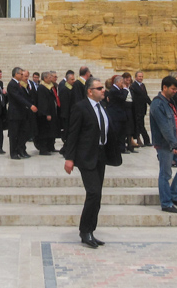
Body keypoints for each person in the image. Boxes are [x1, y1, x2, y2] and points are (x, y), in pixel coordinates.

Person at [64, 77, 120, 248]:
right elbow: (73, 133)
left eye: (103, 88)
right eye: (99, 88)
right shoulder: (80, 107)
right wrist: (69, 158)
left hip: (100, 155)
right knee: (94, 192)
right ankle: (84, 230)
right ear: (90, 91)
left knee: (97, 195)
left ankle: (90, 230)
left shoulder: (103, 107)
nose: (103, 90)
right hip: (86, 156)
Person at [151, 76, 177, 213]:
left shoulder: (171, 102)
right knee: (165, 174)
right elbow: (165, 128)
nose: (175, 91)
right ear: (164, 87)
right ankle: (166, 203)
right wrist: (174, 145)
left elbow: (176, 121)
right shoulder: (157, 104)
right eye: (173, 89)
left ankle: (174, 196)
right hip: (165, 145)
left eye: (176, 89)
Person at [7, 67, 37, 160]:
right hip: (15, 113)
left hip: (21, 113)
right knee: (14, 134)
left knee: (21, 134)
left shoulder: (19, 84)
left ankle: (21, 150)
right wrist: (30, 105)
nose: (22, 75)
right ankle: (13, 153)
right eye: (20, 74)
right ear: (16, 74)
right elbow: (18, 97)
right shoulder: (12, 84)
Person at [35, 71, 60, 155]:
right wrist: (46, 113)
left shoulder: (50, 87)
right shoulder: (42, 87)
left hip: (52, 112)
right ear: (45, 78)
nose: (51, 79)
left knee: (51, 130)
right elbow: (42, 102)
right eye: (49, 77)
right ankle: (43, 149)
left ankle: (51, 147)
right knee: (44, 132)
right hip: (44, 114)